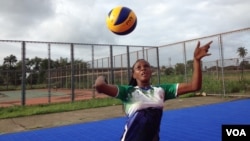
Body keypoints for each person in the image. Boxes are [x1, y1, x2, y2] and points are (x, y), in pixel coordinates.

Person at [94, 41, 213, 141]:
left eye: (146, 66)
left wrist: (196, 60)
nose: (143, 69)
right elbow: (100, 85)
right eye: (138, 68)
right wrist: (102, 77)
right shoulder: (128, 92)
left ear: (151, 71)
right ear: (133, 75)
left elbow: (194, 86)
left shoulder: (161, 90)